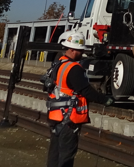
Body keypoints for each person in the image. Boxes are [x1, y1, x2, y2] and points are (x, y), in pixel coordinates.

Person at [46, 32, 114, 167]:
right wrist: (104, 100)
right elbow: (86, 90)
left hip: (56, 116)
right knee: (66, 155)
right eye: (80, 50)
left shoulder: (59, 64)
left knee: (55, 153)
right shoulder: (74, 69)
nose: (82, 52)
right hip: (69, 118)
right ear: (72, 50)